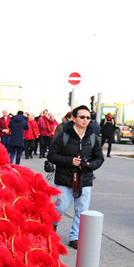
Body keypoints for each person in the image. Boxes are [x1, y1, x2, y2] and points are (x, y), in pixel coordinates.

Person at [47, 105, 104, 250]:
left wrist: (90, 165)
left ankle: (75, 237)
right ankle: (51, 225)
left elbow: (99, 158)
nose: (85, 120)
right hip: (65, 177)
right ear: (73, 118)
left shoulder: (93, 137)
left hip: (85, 178)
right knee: (61, 205)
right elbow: (52, 155)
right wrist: (69, 161)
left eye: (88, 118)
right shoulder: (64, 135)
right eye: (82, 117)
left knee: (82, 209)